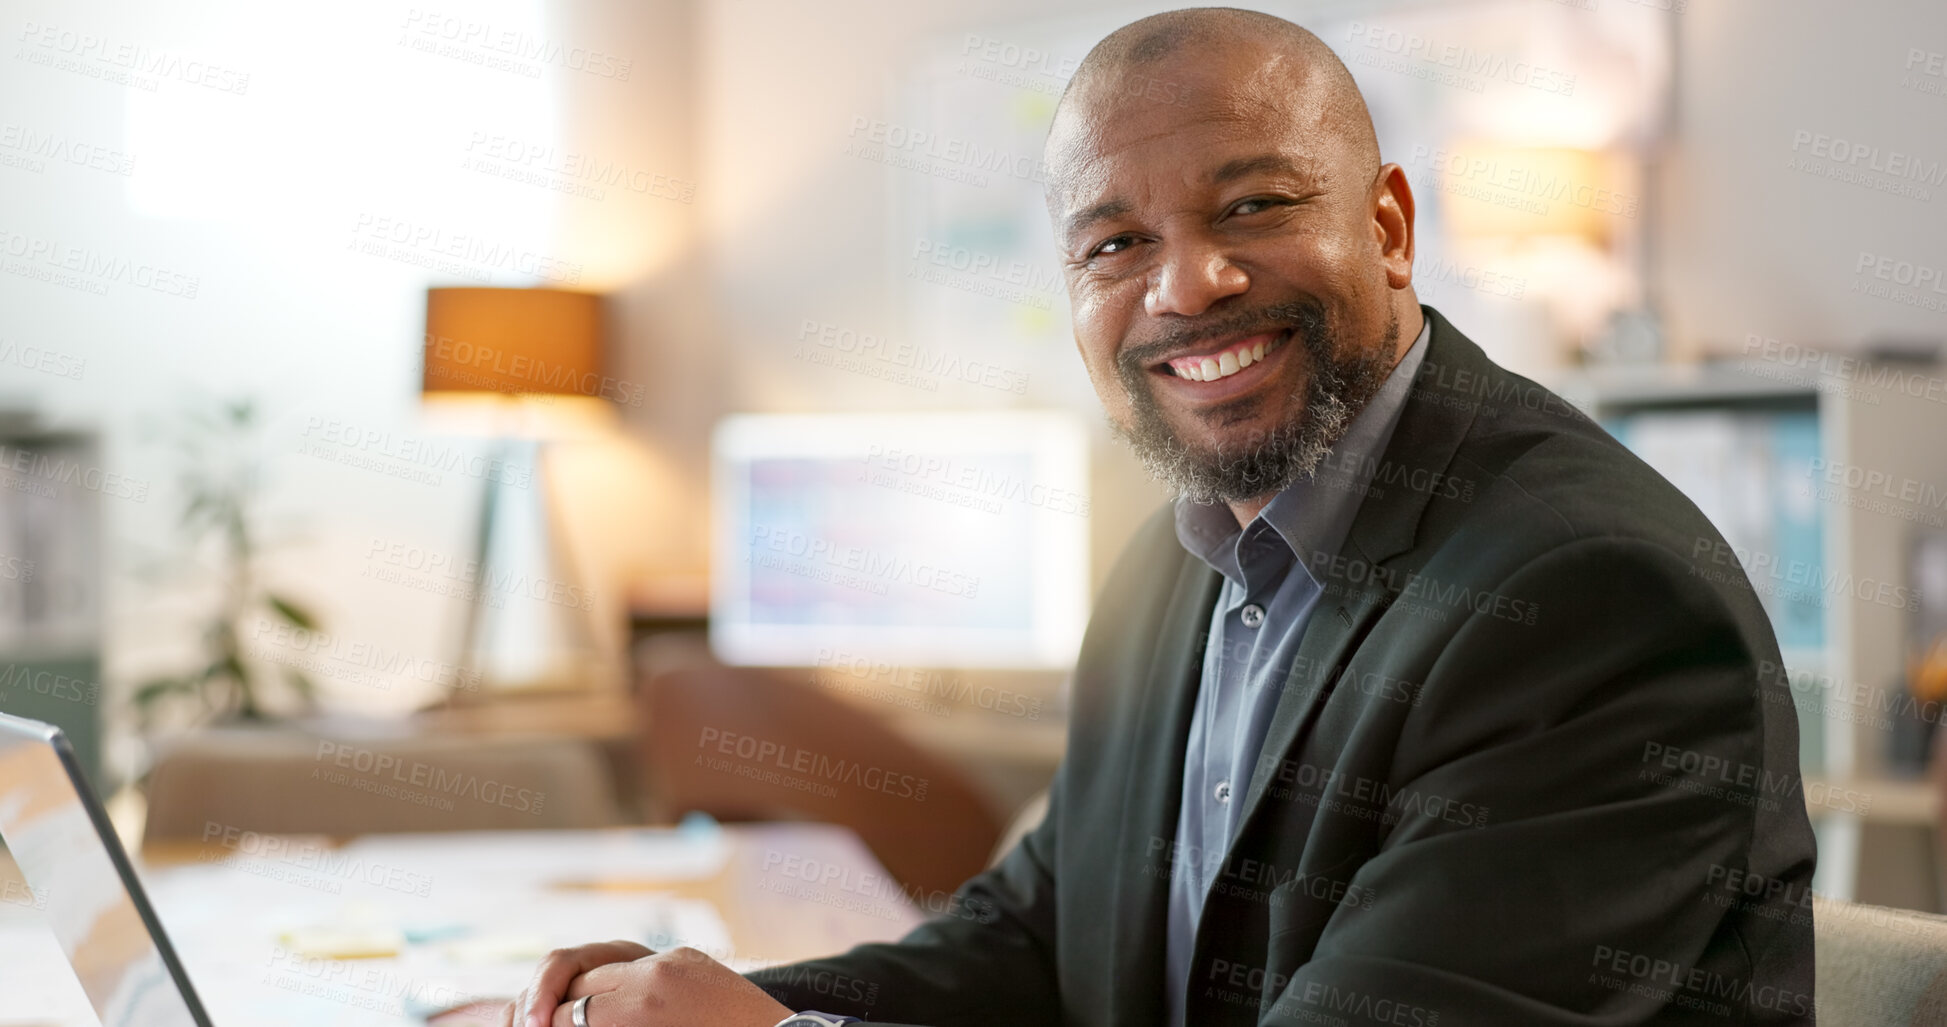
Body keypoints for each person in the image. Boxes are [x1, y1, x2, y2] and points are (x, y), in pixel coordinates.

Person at [501, 8, 1817, 1026]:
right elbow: (1038, 935)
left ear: (1391, 226)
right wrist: (733, 998)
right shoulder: (1173, 561)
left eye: (1253, 206)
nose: (1190, 283)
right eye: (1114, 244)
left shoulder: (1586, 598)